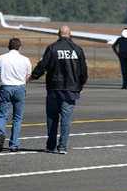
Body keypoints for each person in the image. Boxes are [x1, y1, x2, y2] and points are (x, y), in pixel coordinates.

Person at [30, 26, 87, 154]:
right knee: (66, 120)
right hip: (71, 90)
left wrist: (33, 76)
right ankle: (62, 147)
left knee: (52, 118)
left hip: (54, 88)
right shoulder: (77, 50)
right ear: (70, 34)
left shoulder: (52, 48)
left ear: (58, 34)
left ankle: (50, 146)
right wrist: (80, 86)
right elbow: (83, 71)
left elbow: (43, 65)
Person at [0, 38, 32, 152]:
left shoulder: (1, 58)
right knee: (17, 117)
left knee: (2, 114)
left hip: (5, 87)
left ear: (8, 46)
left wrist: (1, 78)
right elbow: (28, 75)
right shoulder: (25, 60)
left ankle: (1, 133)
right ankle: (14, 144)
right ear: (20, 47)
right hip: (20, 88)